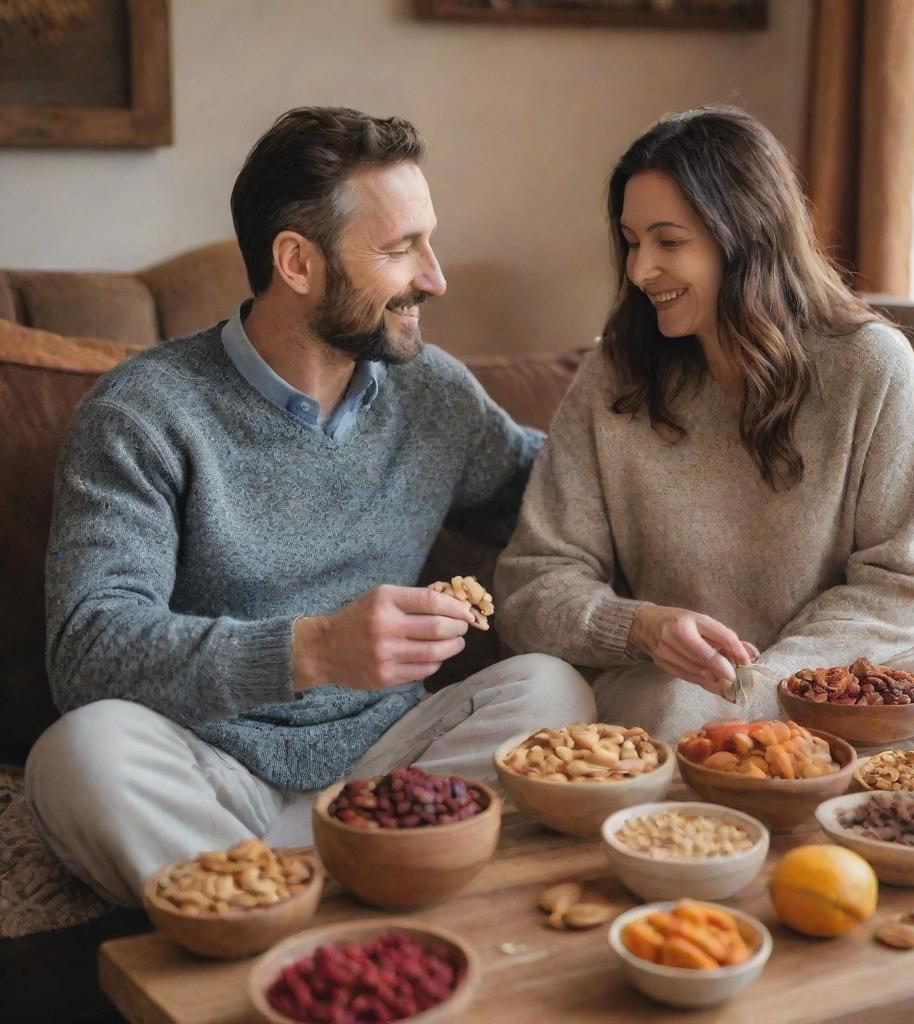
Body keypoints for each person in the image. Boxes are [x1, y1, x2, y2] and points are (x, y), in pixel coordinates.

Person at [25, 106, 594, 906]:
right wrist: (314, 651)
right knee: (79, 754)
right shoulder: (143, 413)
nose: (435, 276)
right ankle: (323, 899)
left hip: (391, 761)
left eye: (428, 241)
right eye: (400, 249)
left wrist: (637, 395)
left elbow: (565, 504)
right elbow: (90, 651)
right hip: (211, 769)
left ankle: (268, 897)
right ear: (296, 261)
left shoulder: (433, 393)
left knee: (549, 690)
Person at [494, 105, 914, 776]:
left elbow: (906, 580)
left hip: (863, 662)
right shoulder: (614, 377)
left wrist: (778, 684)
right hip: (688, 679)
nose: (638, 270)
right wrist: (643, 627)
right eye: (631, 241)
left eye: (668, 241)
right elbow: (531, 584)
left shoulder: (870, 364)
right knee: (690, 717)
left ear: (744, 236)